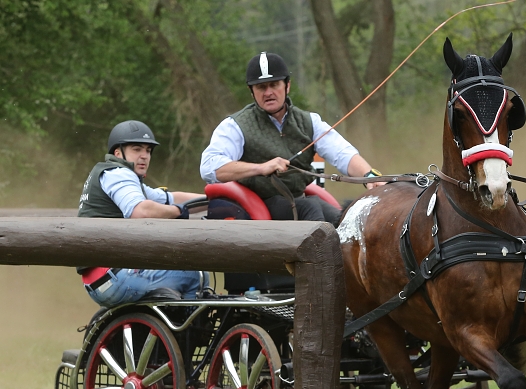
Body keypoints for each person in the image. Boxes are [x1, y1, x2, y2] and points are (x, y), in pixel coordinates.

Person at [200, 51, 383, 225]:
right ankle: (318, 259)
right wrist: (261, 167)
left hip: (299, 200)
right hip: (260, 202)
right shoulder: (235, 125)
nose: (268, 92)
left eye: (274, 85)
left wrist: (368, 175)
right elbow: (209, 166)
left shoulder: (310, 121)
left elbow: (343, 153)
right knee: (310, 208)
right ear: (252, 91)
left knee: (344, 218)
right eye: (261, 87)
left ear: (287, 85)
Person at [78, 120, 209, 308]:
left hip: (101, 279)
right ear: (118, 153)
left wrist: (213, 198)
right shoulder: (118, 174)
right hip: (115, 277)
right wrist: (178, 212)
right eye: (137, 149)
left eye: (148, 151)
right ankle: (190, 334)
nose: (144, 156)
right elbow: (141, 211)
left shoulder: (117, 176)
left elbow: (171, 197)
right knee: (195, 276)